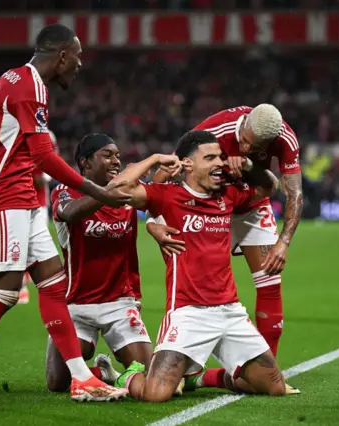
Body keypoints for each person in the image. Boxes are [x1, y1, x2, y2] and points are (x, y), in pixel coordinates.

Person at [0, 24, 130, 406]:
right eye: (77, 56)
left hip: (19, 196)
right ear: (61, 56)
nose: (80, 64)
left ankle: (82, 378)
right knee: (5, 291)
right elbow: (43, 156)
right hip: (4, 197)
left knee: (53, 283)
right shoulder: (31, 86)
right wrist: (98, 192)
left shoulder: (13, 78)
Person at [106, 130, 287, 402]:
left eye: (221, 157)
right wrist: (156, 158)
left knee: (274, 387)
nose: (219, 163)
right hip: (188, 312)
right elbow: (114, 189)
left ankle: (202, 377)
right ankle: (126, 376)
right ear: (187, 164)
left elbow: (270, 186)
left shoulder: (228, 194)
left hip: (230, 312)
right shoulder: (167, 196)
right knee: (155, 395)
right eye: (210, 157)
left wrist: (248, 165)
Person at [147, 105, 303, 365]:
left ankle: (268, 368)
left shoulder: (285, 138)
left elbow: (293, 192)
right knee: (190, 288)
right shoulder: (213, 130)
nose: (244, 148)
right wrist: (153, 222)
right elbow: (163, 176)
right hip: (209, 208)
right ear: (242, 126)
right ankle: (182, 363)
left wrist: (284, 242)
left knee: (270, 281)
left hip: (251, 203)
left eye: (254, 147)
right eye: (243, 141)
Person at [44, 133, 179, 392]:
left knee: (148, 376)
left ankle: (111, 374)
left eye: (117, 155)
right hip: (76, 304)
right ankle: (98, 373)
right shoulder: (65, 191)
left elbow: (157, 196)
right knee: (57, 382)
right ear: (85, 163)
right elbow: (69, 213)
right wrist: (111, 190)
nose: (116, 161)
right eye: (107, 155)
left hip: (120, 302)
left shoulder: (128, 190)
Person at [19, 131, 57, 305]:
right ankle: (22, 285)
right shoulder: (16, 133)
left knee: (36, 243)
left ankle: (35, 282)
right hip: (16, 200)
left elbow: (49, 167)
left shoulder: (47, 136)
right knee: (20, 242)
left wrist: (38, 175)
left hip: (39, 201)